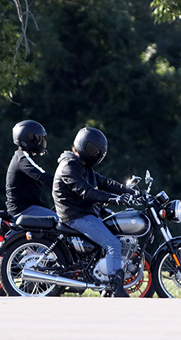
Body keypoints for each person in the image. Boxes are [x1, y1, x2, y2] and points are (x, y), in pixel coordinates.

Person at [52, 127, 136, 297]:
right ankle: (115, 288)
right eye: (93, 150)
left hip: (85, 212)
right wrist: (114, 199)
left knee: (114, 235)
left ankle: (107, 282)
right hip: (75, 215)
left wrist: (130, 192)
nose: (97, 155)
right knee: (113, 244)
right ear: (83, 146)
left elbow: (103, 182)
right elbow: (87, 192)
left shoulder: (83, 165)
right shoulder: (69, 166)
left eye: (99, 152)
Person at [5, 120, 58, 220]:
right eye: (38, 138)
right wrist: (66, 186)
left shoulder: (24, 157)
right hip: (22, 210)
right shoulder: (23, 159)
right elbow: (42, 176)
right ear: (27, 139)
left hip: (30, 207)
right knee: (58, 220)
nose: (41, 142)